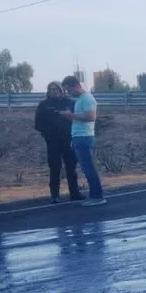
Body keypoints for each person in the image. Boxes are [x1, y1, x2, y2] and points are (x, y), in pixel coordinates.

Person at [61, 76, 105, 205]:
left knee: (88, 168)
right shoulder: (80, 99)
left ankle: (97, 196)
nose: (68, 93)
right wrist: (69, 116)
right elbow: (80, 118)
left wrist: (72, 115)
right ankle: (96, 195)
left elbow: (91, 117)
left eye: (68, 89)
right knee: (87, 168)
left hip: (84, 137)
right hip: (79, 136)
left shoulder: (87, 98)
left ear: (75, 86)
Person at [35, 81, 82, 203]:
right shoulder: (43, 105)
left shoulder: (70, 103)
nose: (54, 91)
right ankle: (55, 195)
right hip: (53, 142)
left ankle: (74, 193)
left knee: (71, 167)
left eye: (56, 89)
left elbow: (77, 119)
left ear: (61, 90)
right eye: (51, 89)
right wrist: (47, 134)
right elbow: (38, 124)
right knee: (54, 167)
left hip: (69, 140)